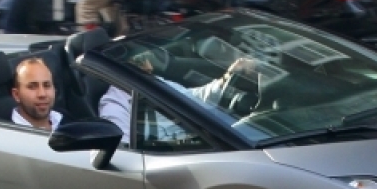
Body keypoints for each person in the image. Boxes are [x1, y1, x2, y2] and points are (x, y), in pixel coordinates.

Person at [99, 52, 260, 136]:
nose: (147, 63)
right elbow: (124, 152)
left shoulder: (153, 81)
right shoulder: (114, 104)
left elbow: (191, 98)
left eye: (144, 56)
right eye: (137, 60)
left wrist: (226, 79)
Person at [11, 57, 62, 131]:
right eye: (32, 87)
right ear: (16, 95)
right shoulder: (9, 135)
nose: (42, 94)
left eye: (47, 85)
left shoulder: (63, 118)